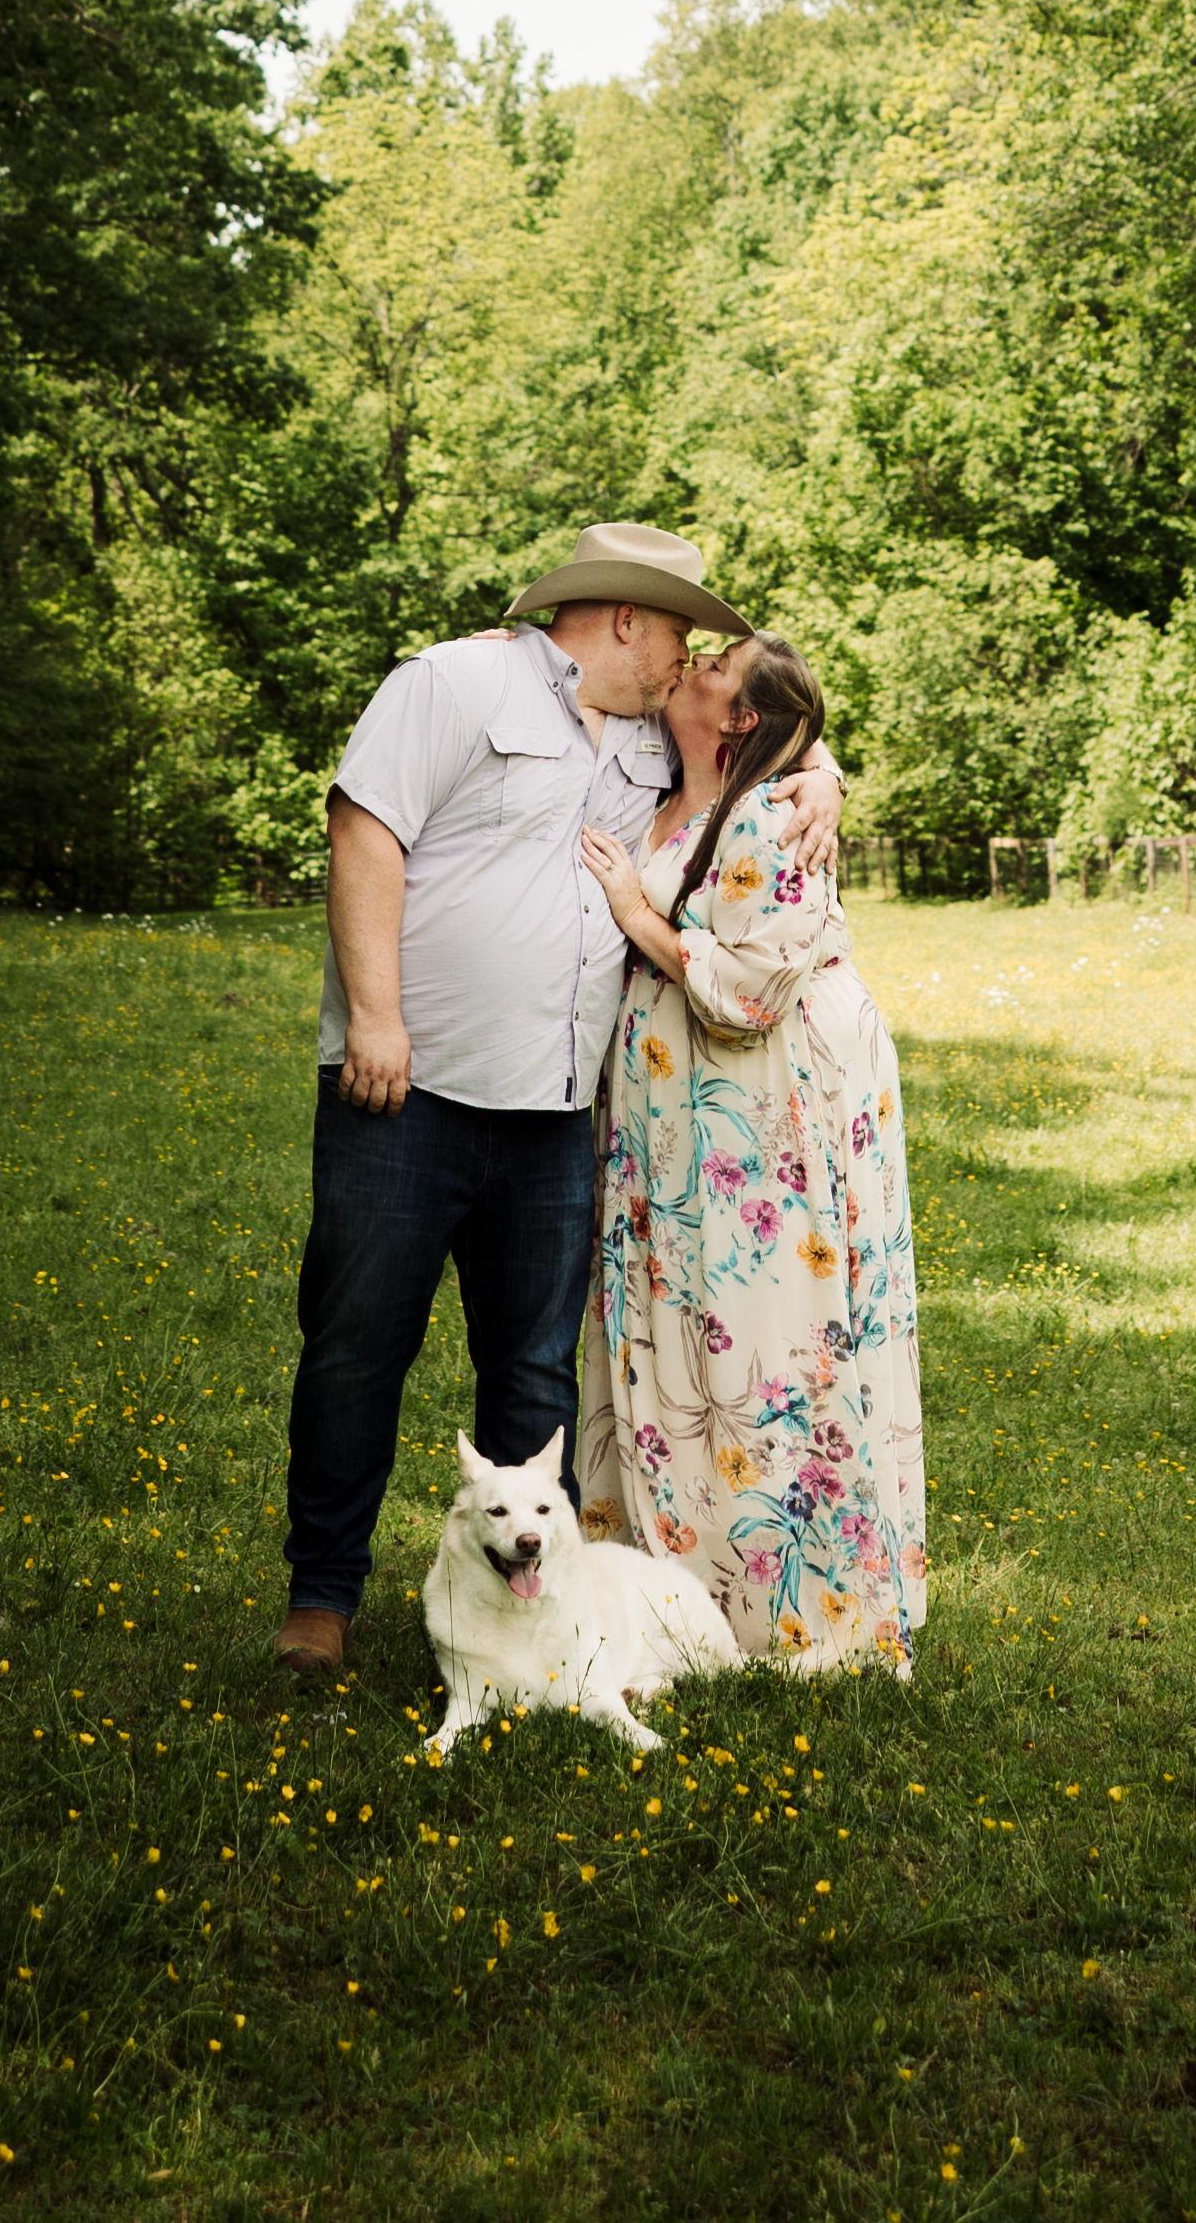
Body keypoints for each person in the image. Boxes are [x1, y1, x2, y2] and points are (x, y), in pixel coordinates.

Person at [271, 524, 841, 1684]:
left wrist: (825, 770)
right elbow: (363, 827)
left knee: (533, 1373)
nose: (690, 658)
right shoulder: (456, 680)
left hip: (555, 1114)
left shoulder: (649, 734)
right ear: (626, 617)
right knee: (354, 1347)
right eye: (681, 631)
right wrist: (374, 1017)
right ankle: (321, 1595)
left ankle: (537, 1611)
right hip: (407, 1086)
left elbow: (757, 745)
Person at [573, 626, 926, 1677]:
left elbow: (749, 990)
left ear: (738, 721)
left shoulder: (772, 817)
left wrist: (636, 909)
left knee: (762, 1342)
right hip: (667, 1136)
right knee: (676, 1335)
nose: (694, 663)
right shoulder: (659, 787)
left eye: (716, 666)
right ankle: (666, 1597)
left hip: (749, 1122)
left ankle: (791, 1609)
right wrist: (826, 765)